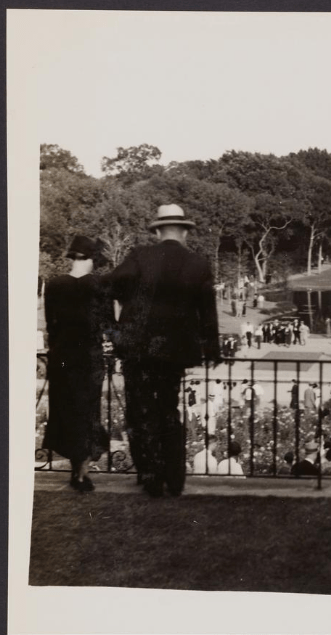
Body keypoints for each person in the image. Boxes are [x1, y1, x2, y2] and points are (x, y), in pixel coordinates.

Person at [110, 204, 221, 497]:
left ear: (157, 231)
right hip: (173, 351)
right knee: (169, 409)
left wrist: (116, 331)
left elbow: (107, 288)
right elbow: (207, 311)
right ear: (185, 231)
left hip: (139, 349)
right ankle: (174, 477)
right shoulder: (198, 263)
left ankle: (151, 475)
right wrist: (212, 349)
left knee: (141, 412)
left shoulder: (139, 257)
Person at [43, 235, 112, 492]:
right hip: (89, 358)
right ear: (90, 259)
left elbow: (52, 325)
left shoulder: (53, 285)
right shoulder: (100, 285)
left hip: (62, 358)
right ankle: (81, 473)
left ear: (72, 258)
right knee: (88, 413)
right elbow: (108, 324)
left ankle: (76, 470)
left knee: (67, 411)